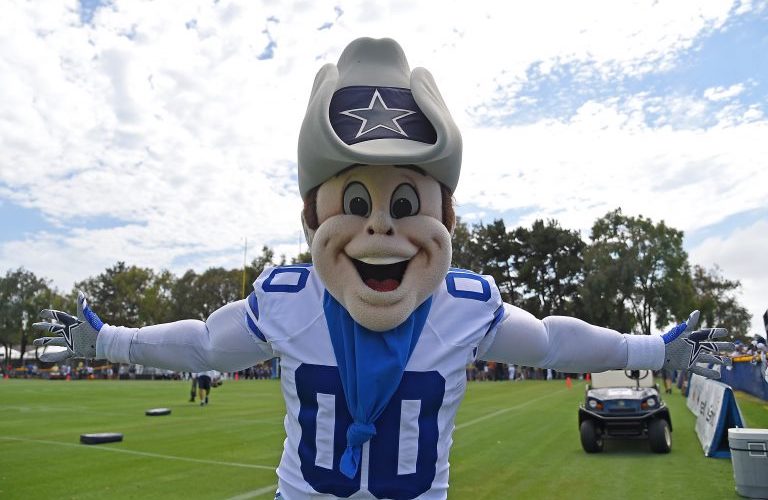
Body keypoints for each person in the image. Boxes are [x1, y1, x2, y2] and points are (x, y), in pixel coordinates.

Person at [33, 38, 733, 499]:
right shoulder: (289, 297)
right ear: (313, 220)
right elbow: (207, 345)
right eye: (357, 202)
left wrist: (652, 348)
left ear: (445, 220)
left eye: (404, 203)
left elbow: (550, 342)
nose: (379, 226)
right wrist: (111, 341)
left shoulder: (464, 303)